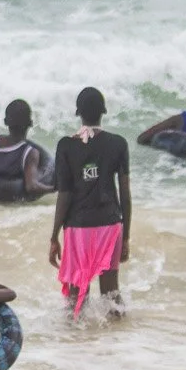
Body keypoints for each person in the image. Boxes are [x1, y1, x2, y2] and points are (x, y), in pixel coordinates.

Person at [51, 86, 130, 317]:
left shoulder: (66, 145)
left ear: (78, 113)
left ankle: (75, 344)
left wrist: (54, 235)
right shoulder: (118, 143)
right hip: (110, 223)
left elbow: (64, 194)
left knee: (76, 297)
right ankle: (119, 341)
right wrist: (125, 236)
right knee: (111, 293)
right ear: (104, 111)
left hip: (78, 226)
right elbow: (125, 193)